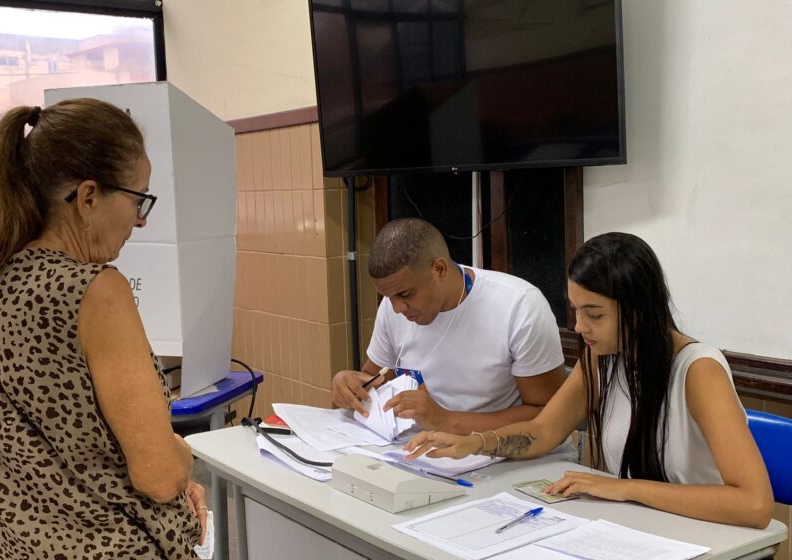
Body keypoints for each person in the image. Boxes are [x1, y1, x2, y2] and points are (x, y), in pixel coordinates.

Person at [0, 100, 206, 558]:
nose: (140, 221)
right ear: (88, 198)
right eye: (138, 199)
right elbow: (159, 476)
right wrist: (181, 456)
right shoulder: (95, 293)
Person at [404, 232, 774, 528]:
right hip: (636, 529)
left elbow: (754, 505)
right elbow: (543, 432)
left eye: (594, 314)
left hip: (704, 539)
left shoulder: (698, 371)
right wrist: (475, 443)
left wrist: (625, 488)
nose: (580, 328)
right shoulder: (602, 359)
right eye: (576, 311)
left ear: (639, 311)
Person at [332, 218, 566, 434]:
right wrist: (348, 384)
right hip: (420, 453)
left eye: (405, 294)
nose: (397, 308)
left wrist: (446, 421)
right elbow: (373, 379)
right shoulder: (393, 305)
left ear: (440, 269)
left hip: (500, 456)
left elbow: (547, 414)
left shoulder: (519, 306)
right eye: (388, 297)